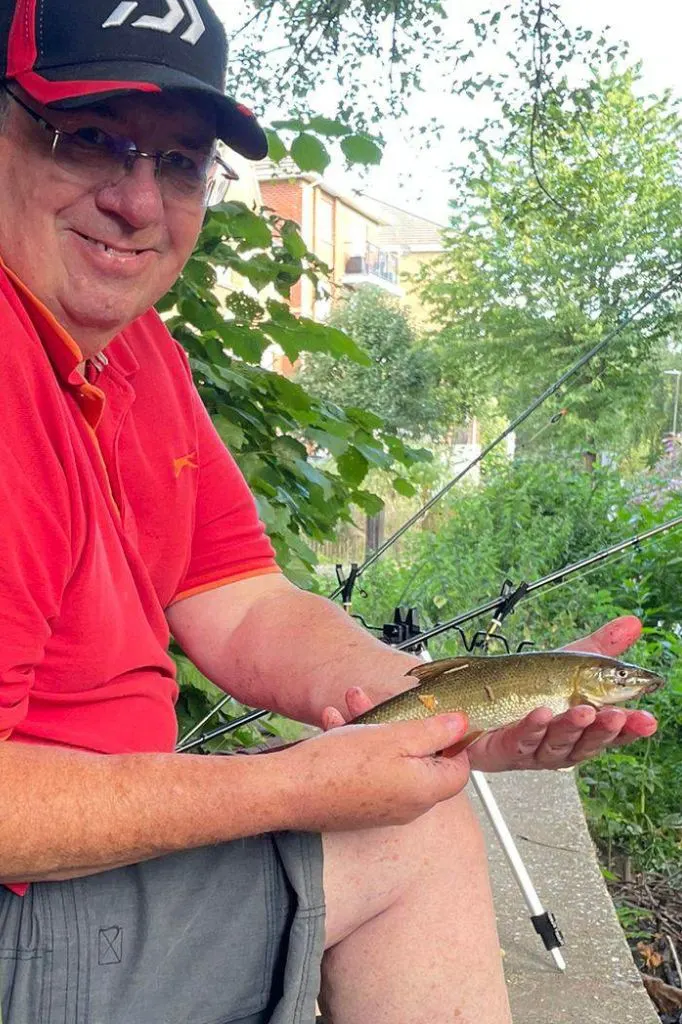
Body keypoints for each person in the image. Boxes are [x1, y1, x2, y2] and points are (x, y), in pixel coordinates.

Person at [0, 0, 658, 1021]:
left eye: (179, 163)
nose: (137, 200)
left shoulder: (135, 350)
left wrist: (458, 704)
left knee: (401, 803)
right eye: (91, 138)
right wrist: (297, 784)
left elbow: (244, 601)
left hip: (75, 866)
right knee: (404, 836)